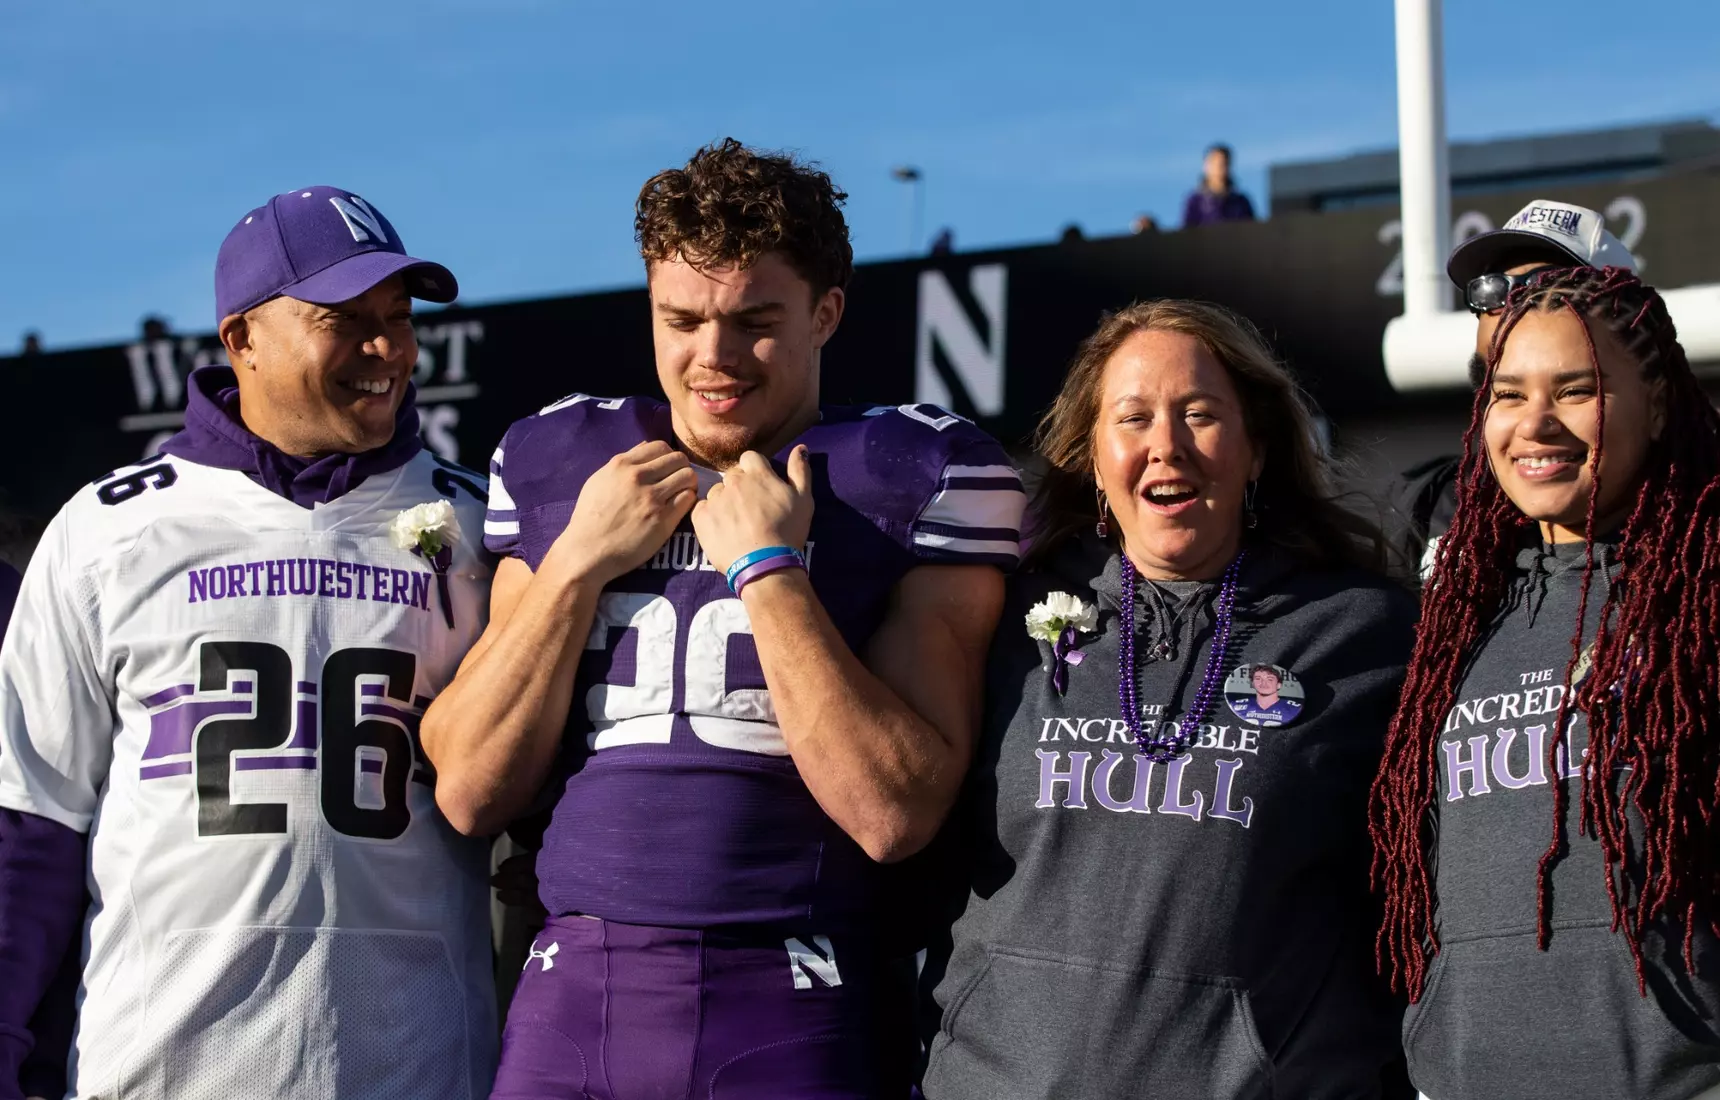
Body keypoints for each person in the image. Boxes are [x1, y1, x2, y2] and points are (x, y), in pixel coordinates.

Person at [420, 139, 1025, 1099]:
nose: (714, 356)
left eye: (754, 321)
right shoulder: (563, 459)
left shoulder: (910, 474)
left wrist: (769, 568)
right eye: (683, 319)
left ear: (826, 312)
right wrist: (577, 559)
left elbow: (893, 811)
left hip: (800, 992)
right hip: (573, 991)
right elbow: (469, 789)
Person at [0, 185, 499, 1100]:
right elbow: (32, 822)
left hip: (415, 1068)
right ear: (242, 339)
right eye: (344, 320)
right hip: (160, 1069)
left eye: (397, 316)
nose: (387, 348)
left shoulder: (482, 524)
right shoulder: (108, 531)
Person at [919, 299, 1417, 1099]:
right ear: (1090, 453)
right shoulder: (1003, 625)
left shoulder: (1368, 635)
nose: (1166, 446)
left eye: (1199, 414)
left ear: (1256, 448)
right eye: (1133, 418)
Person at [1371, 266, 1720, 1099]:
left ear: (1660, 404)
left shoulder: (1704, 595)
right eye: (1508, 393)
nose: (1536, 424)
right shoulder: (1451, 618)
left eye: (1576, 390)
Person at [1390, 199, 1635, 577]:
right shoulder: (1433, 506)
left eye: (1549, 284)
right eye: (1492, 289)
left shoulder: (1693, 525)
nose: (1513, 304)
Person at [1181, 143, 1256, 228]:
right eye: (1215, 163)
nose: (1219, 168)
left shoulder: (1241, 202)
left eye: (1223, 164)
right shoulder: (1195, 202)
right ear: (1206, 166)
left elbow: (1252, 232)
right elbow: (1188, 233)